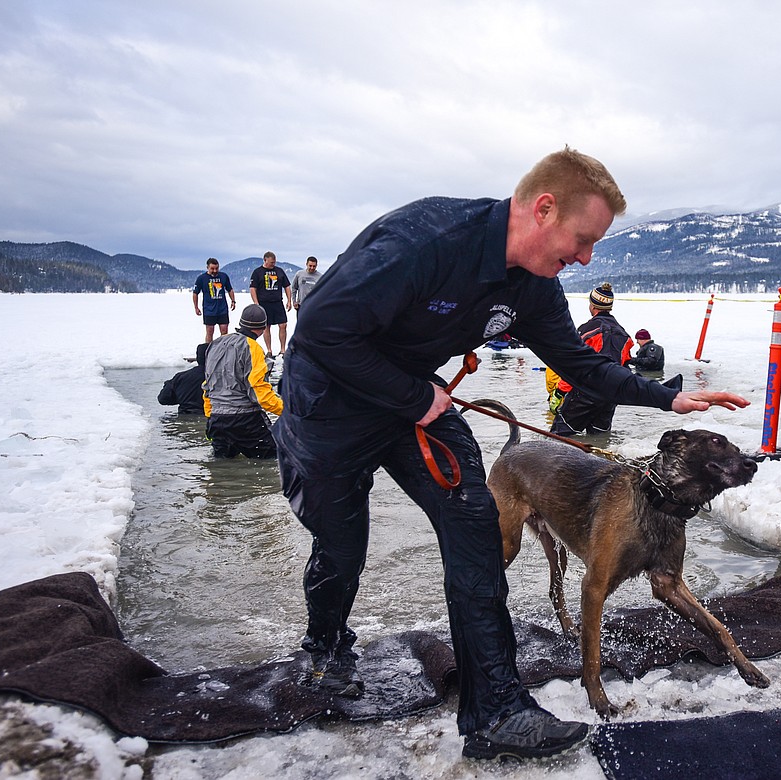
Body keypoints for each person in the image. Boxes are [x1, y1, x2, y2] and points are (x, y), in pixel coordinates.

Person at [271, 147, 749, 760]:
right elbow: (319, 328)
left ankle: (496, 708)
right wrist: (413, 395)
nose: (585, 258)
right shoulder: (427, 240)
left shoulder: (535, 287)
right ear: (543, 209)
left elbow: (579, 363)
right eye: (582, 239)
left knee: (474, 524)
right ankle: (326, 646)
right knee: (343, 542)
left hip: (416, 402)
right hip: (329, 401)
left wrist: (667, 399)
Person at [549, 282, 634, 436]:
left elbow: (575, 366)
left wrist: (559, 392)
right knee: (600, 437)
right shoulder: (624, 335)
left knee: (559, 437)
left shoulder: (587, 330)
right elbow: (624, 368)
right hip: (610, 395)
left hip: (585, 393)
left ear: (593, 306)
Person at [203, 304, 282, 459]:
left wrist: (210, 416)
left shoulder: (216, 344)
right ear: (263, 327)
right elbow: (260, 393)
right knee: (274, 461)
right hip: (245, 420)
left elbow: (208, 385)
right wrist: (288, 410)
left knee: (220, 471)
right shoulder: (253, 348)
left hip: (216, 420)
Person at [249, 251, 291, 357]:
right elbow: (253, 288)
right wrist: (256, 303)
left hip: (277, 302)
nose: (273, 264)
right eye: (271, 262)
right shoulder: (258, 272)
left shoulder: (279, 271)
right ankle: (269, 350)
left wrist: (289, 300)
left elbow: (286, 286)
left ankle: (282, 349)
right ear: (265, 260)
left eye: (274, 262)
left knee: (283, 325)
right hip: (264, 303)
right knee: (266, 327)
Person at [192, 258, 237, 343]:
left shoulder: (223, 276)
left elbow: (230, 289)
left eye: (216, 268)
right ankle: (209, 351)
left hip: (222, 309)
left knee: (224, 331)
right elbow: (195, 293)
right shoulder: (201, 278)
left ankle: (222, 351)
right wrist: (196, 307)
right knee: (210, 332)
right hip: (209, 310)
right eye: (212, 268)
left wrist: (233, 301)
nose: (215, 270)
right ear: (207, 267)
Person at [157, 343, 208, 415]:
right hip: (213, 418)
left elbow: (163, 399)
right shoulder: (224, 378)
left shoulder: (180, 377)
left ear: (198, 358)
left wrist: (183, 398)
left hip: (185, 416)